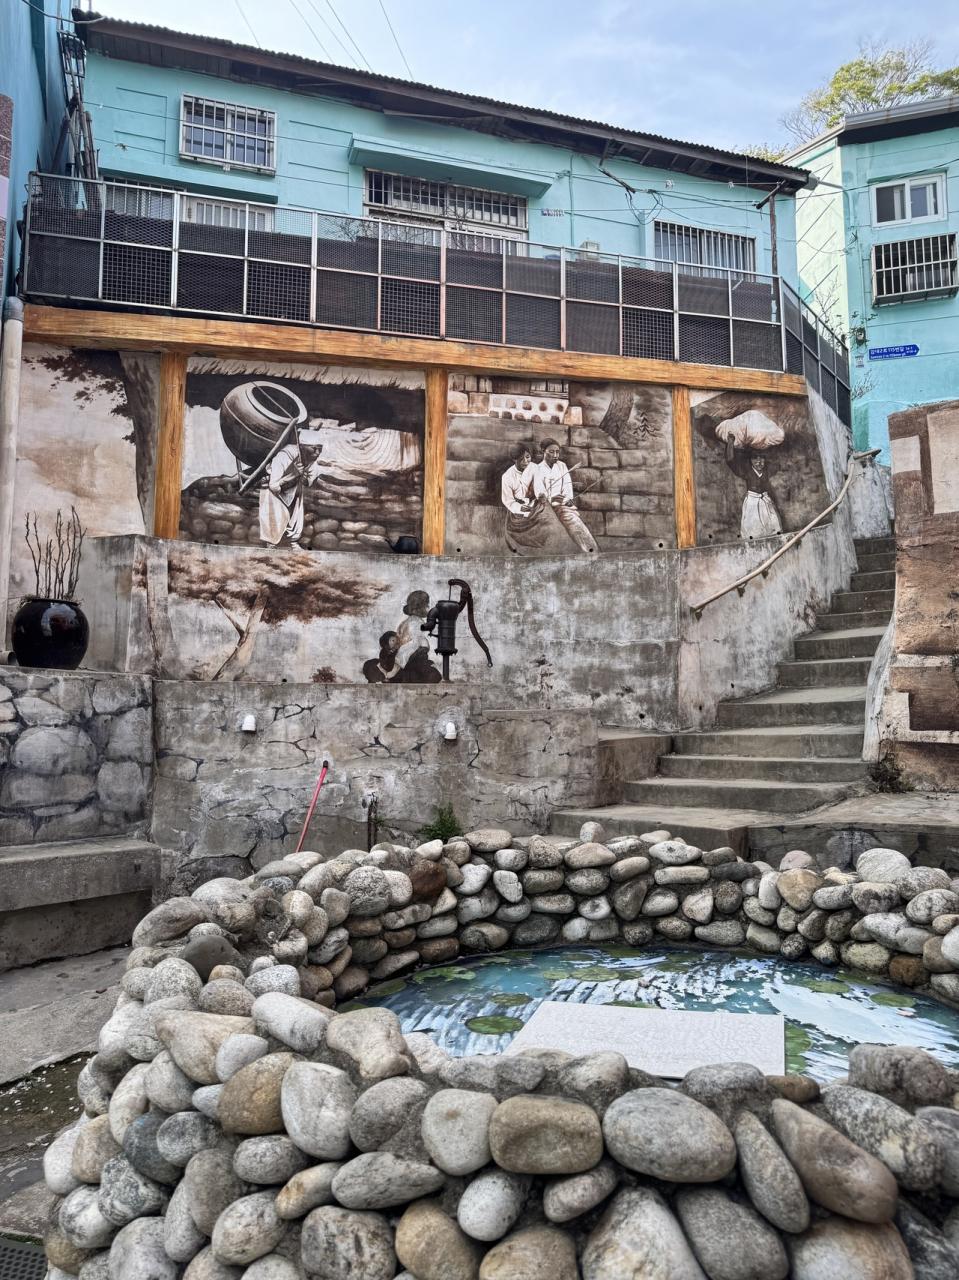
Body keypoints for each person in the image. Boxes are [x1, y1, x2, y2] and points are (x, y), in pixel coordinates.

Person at [531, 438, 598, 554]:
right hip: (545, 507)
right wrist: (550, 499)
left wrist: (566, 500)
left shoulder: (562, 466)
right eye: (551, 452)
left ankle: (592, 551)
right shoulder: (537, 469)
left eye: (557, 452)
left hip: (561, 505)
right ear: (543, 451)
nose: (555, 455)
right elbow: (539, 492)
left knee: (573, 521)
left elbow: (567, 487)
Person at [258, 439, 322, 548]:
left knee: (296, 514)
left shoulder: (311, 459)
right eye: (314, 448)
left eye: (320, 449)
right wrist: (294, 474)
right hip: (274, 492)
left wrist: (303, 479)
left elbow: (309, 480)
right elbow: (274, 486)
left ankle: (293, 541)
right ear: (302, 446)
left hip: (294, 490)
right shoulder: (284, 456)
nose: (317, 452)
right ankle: (271, 543)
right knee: (275, 514)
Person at [724, 436, 783, 539]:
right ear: (750, 460)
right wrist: (730, 442)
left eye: (762, 458)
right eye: (755, 458)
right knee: (753, 532)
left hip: (766, 502)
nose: (759, 462)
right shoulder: (746, 472)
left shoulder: (767, 471)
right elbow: (730, 460)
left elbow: (777, 463)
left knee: (773, 529)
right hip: (752, 504)